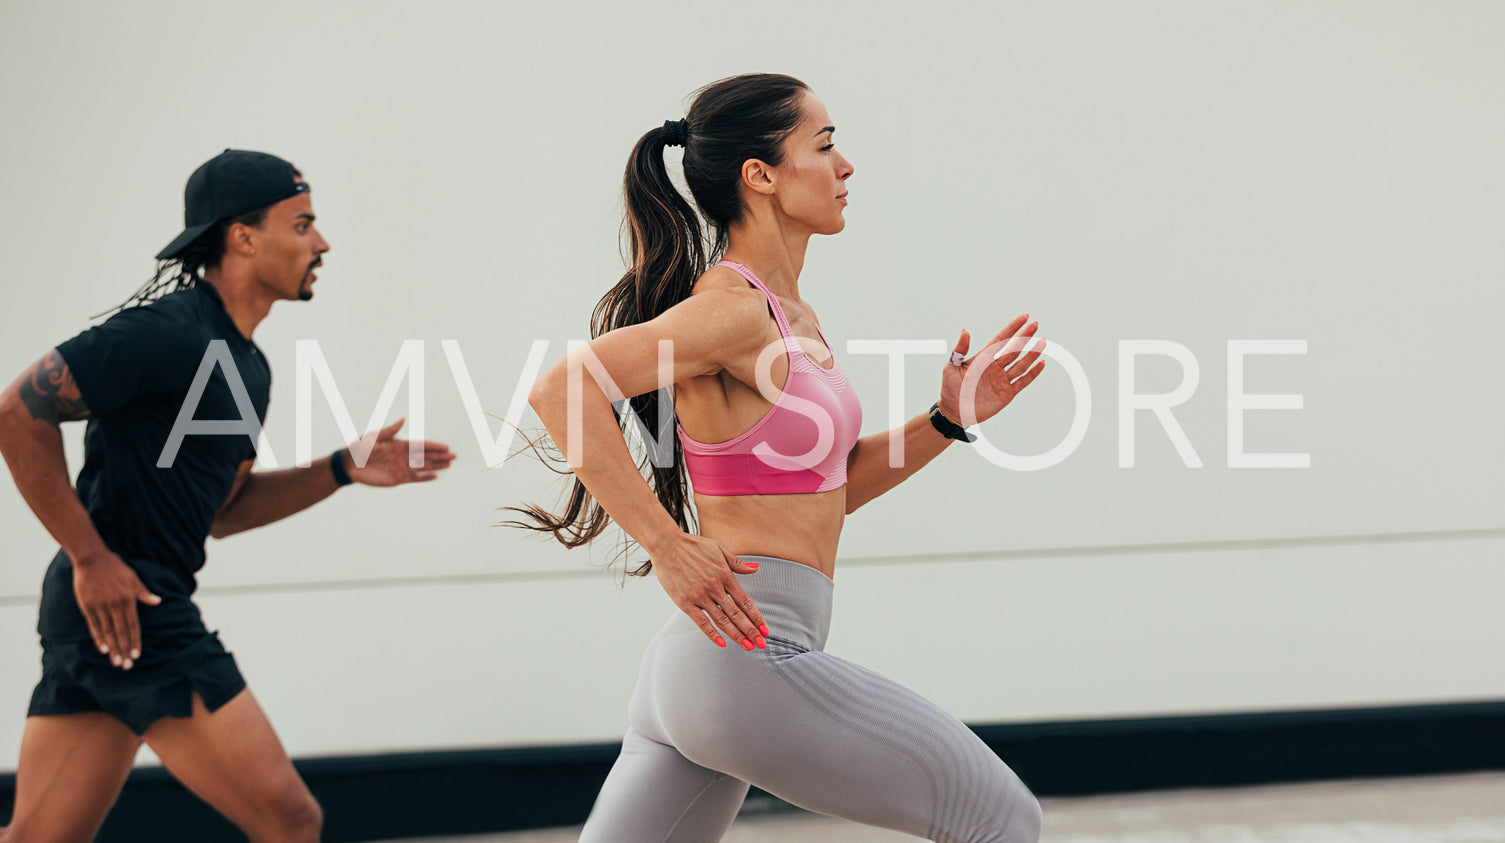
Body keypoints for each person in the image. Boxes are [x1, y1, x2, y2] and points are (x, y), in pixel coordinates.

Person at [517, 75, 1048, 842]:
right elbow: (563, 389)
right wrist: (666, 545)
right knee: (999, 815)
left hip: (704, 667)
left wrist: (944, 419)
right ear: (759, 175)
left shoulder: (785, 316)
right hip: (746, 657)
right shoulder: (732, 311)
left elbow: (823, 493)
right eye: (824, 146)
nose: (846, 167)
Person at [0, 149, 456, 843]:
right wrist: (91, 557)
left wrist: (339, 467)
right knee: (291, 820)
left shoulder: (246, 364)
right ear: (243, 236)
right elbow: (16, 413)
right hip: (131, 604)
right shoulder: (168, 331)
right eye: (302, 224)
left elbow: (223, 514)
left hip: (103, 614)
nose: (322, 243)